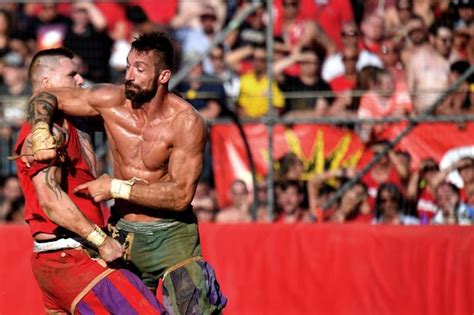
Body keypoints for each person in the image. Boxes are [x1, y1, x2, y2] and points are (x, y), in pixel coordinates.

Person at [28, 32, 227, 314]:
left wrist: (115, 188)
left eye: (140, 69)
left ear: (164, 76)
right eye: (128, 66)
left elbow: (180, 195)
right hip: (123, 235)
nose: (129, 75)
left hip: (172, 237)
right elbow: (45, 94)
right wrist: (39, 129)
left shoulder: (186, 122)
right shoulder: (111, 101)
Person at [14, 48, 165, 314]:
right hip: (71, 256)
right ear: (47, 84)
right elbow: (51, 202)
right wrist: (102, 241)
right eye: (72, 74)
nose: (81, 80)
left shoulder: (75, 120)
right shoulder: (45, 132)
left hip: (68, 257)